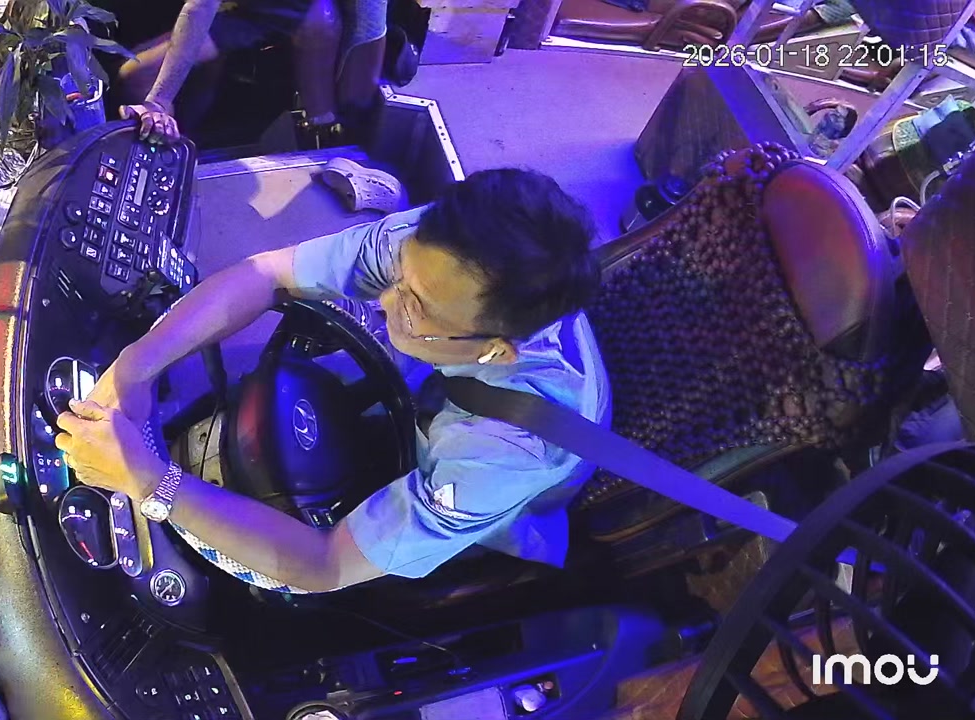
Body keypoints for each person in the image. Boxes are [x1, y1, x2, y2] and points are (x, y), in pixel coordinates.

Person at [55, 169, 611, 593]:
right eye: (398, 275)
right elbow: (266, 274)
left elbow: (325, 565)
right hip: (431, 395)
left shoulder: (509, 452)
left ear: (495, 349)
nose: (383, 300)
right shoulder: (444, 251)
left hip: (477, 501)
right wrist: (137, 365)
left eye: (414, 306)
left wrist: (154, 484)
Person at [112, 0, 345, 144]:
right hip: (230, 7)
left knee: (139, 76)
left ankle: (174, 161)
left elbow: (199, 9)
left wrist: (158, 101)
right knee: (200, 65)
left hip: (276, 10)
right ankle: (189, 141)